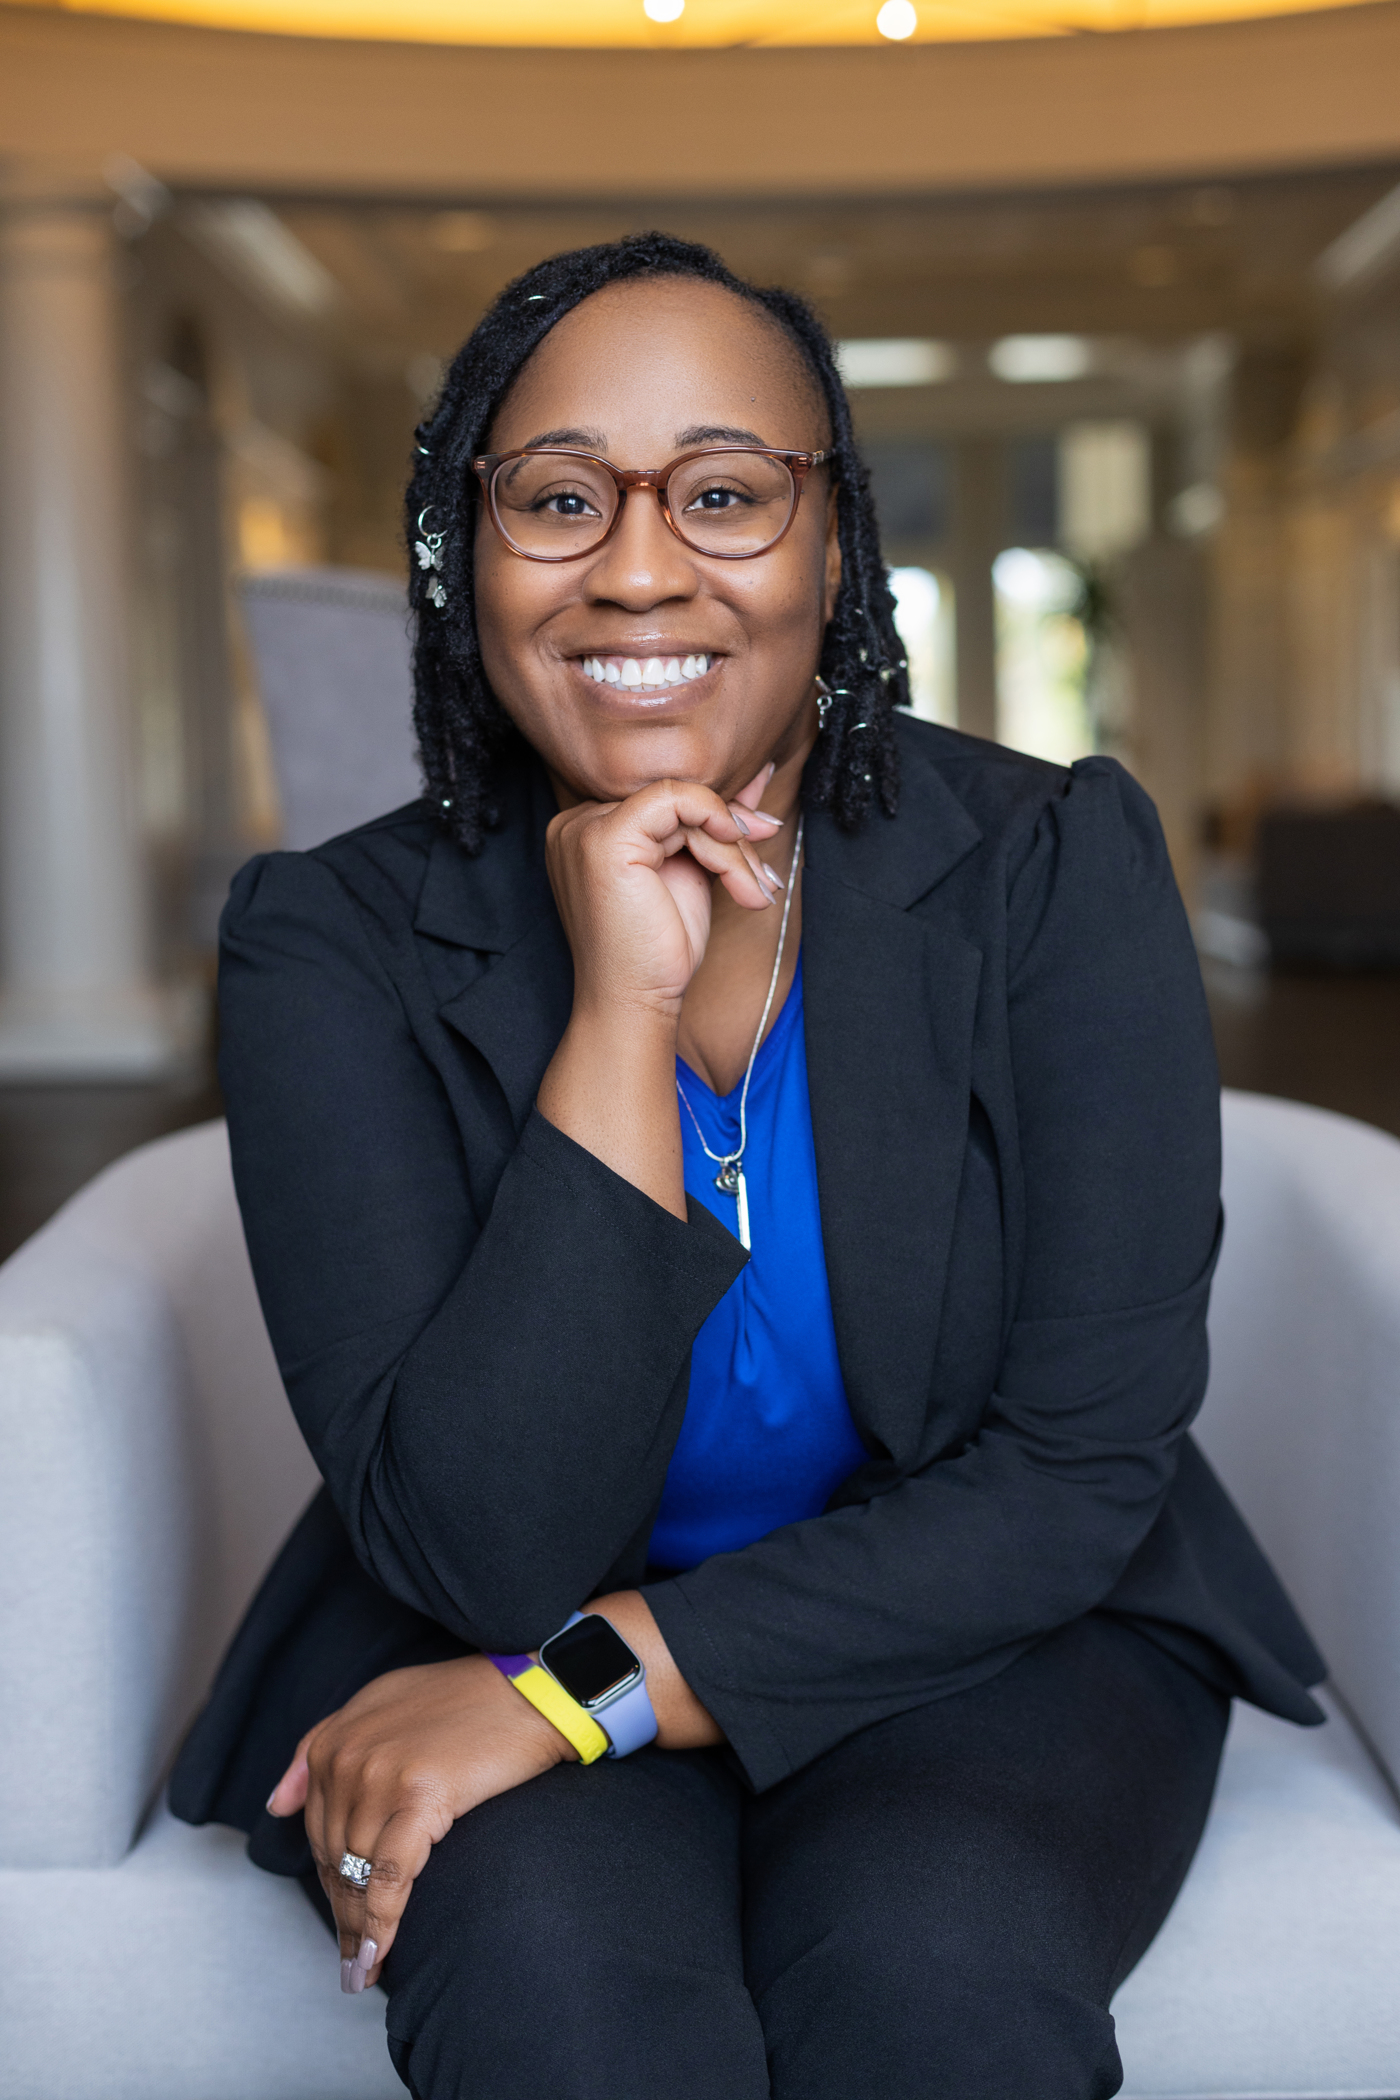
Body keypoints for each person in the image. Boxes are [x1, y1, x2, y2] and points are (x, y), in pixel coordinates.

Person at [170, 232, 1324, 2100]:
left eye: (724, 493)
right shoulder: (328, 940)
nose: (639, 566)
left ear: (832, 547)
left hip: (992, 1645)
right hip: (490, 1626)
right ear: (472, 559)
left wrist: (587, 1685)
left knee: (933, 1990)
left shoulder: (1049, 868)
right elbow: (492, 1552)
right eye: (560, 499)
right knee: (565, 2015)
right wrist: (621, 1013)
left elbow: (1072, 1473)